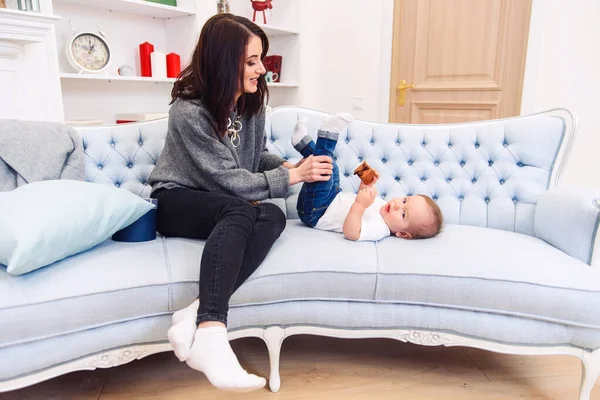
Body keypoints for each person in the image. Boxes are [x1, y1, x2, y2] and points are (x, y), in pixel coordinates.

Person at [148, 13, 334, 392]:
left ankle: (193, 312)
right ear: (221, 60)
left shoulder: (250, 105)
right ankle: (213, 332)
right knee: (239, 207)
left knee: (272, 213)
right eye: (251, 61)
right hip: (178, 200)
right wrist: (294, 177)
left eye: (260, 59)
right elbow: (231, 180)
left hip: (221, 198)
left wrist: (286, 164)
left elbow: (251, 158)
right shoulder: (188, 112)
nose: (262, 70)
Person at [292, 114, 444, 241]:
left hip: (316, 212)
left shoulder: (380, 229)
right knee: (332, 168)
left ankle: (328, 134)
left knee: (324, 172)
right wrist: (366, 184)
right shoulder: (384, 207)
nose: (398, 205)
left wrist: (360, 205)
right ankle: (302, 143)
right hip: (332, 197)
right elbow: (361, 197)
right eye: (404, 200)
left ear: (402, 234)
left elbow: (351, 233)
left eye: (403, 214)